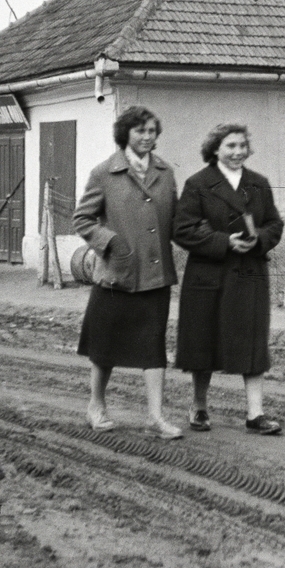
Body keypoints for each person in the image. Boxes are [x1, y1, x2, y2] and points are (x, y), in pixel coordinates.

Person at [73, 105, 183, 439]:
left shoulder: (165, 172)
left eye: (152, 131)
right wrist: (112, 243)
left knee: (153, 347)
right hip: (116, 276)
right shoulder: (104, 173)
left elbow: (176, 221)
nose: (147, 137)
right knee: (104, 346)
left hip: (155, 275)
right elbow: (83, 219)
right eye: (140, 131)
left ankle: (155, 416)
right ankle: (96, 406)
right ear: (126, 135)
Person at [173, 123, 285, 435]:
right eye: (230, 146)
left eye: (241, 146)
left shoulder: (258, 183)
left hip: (249, 274)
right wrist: (224, 242)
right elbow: (183, 228)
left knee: (252, 344)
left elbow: (275, 224)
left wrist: (258, 238)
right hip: (209, 274)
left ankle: (255, 413)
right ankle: (198, 406)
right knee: (203, 342)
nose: (237, 152)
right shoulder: (198, 183)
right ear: (215, 149)